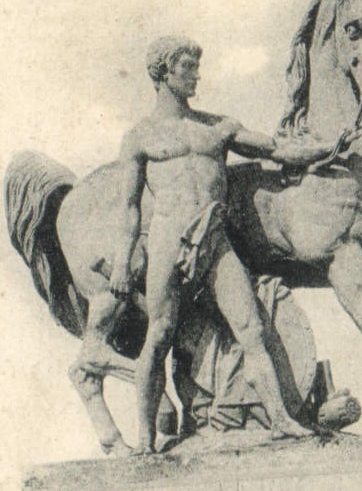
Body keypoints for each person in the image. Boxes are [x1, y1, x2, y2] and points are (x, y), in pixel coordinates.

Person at [110, 36, 332, 453]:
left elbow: (275, 147)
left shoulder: (218, 126)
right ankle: (144, 439)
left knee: (251, 326)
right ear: (163, 73)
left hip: (213, 238)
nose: (196, 75)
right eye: (187, 67)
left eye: (197, 65)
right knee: (158, 335)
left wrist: (318, 149)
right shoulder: (140, 137)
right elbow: (128, 209)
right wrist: (123, 263)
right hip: (167, 240)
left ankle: (280, 419)